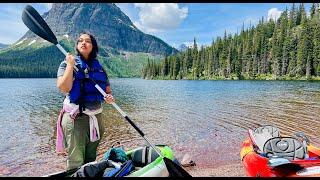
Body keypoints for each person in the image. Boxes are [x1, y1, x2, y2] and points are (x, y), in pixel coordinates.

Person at [55, 32, 115, 170]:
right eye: (80, 41)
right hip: (76, 119)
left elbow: (107, 91)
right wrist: (70, 65)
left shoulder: (99, 68)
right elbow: (64, 88)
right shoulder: (66, 64)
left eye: (87, 41)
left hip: (96, 118)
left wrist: (109, 98)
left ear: (93, 46)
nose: (83, 43)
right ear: (77, 46)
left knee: (91, 158)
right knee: (76, 160)